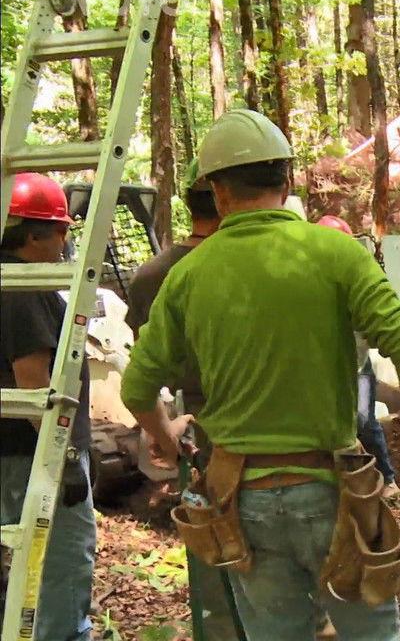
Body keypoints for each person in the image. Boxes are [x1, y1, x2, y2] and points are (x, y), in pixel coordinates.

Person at [120, 109, 400, 640]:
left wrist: (164, 441)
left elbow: (137, 389)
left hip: (241, 499)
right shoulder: (335, 253)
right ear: (288, 180)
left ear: (217, 193)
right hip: (333, 491)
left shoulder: (187, 276)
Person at [124, 164, 242, 639]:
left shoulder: (151, 275)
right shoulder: (239, 265)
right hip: (248, 418)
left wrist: (162, 427)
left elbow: (146, 371)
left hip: (194, 418)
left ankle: (222, 625)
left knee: (214, 538)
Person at [0, 173, 96, 641]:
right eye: (61, 229)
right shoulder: (24, 288)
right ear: (36, 233)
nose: (66, 239)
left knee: (20, 580)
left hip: (12, 457)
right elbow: (34, 384)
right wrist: (69, 461)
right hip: (34, 461)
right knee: (59, 575)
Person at [315, 214, 400, 498]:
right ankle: (337, 488)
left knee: (363, 420)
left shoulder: (359, 279)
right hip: (321, 371)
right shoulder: (308, 283)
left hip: (357, 366)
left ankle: (386, 479)